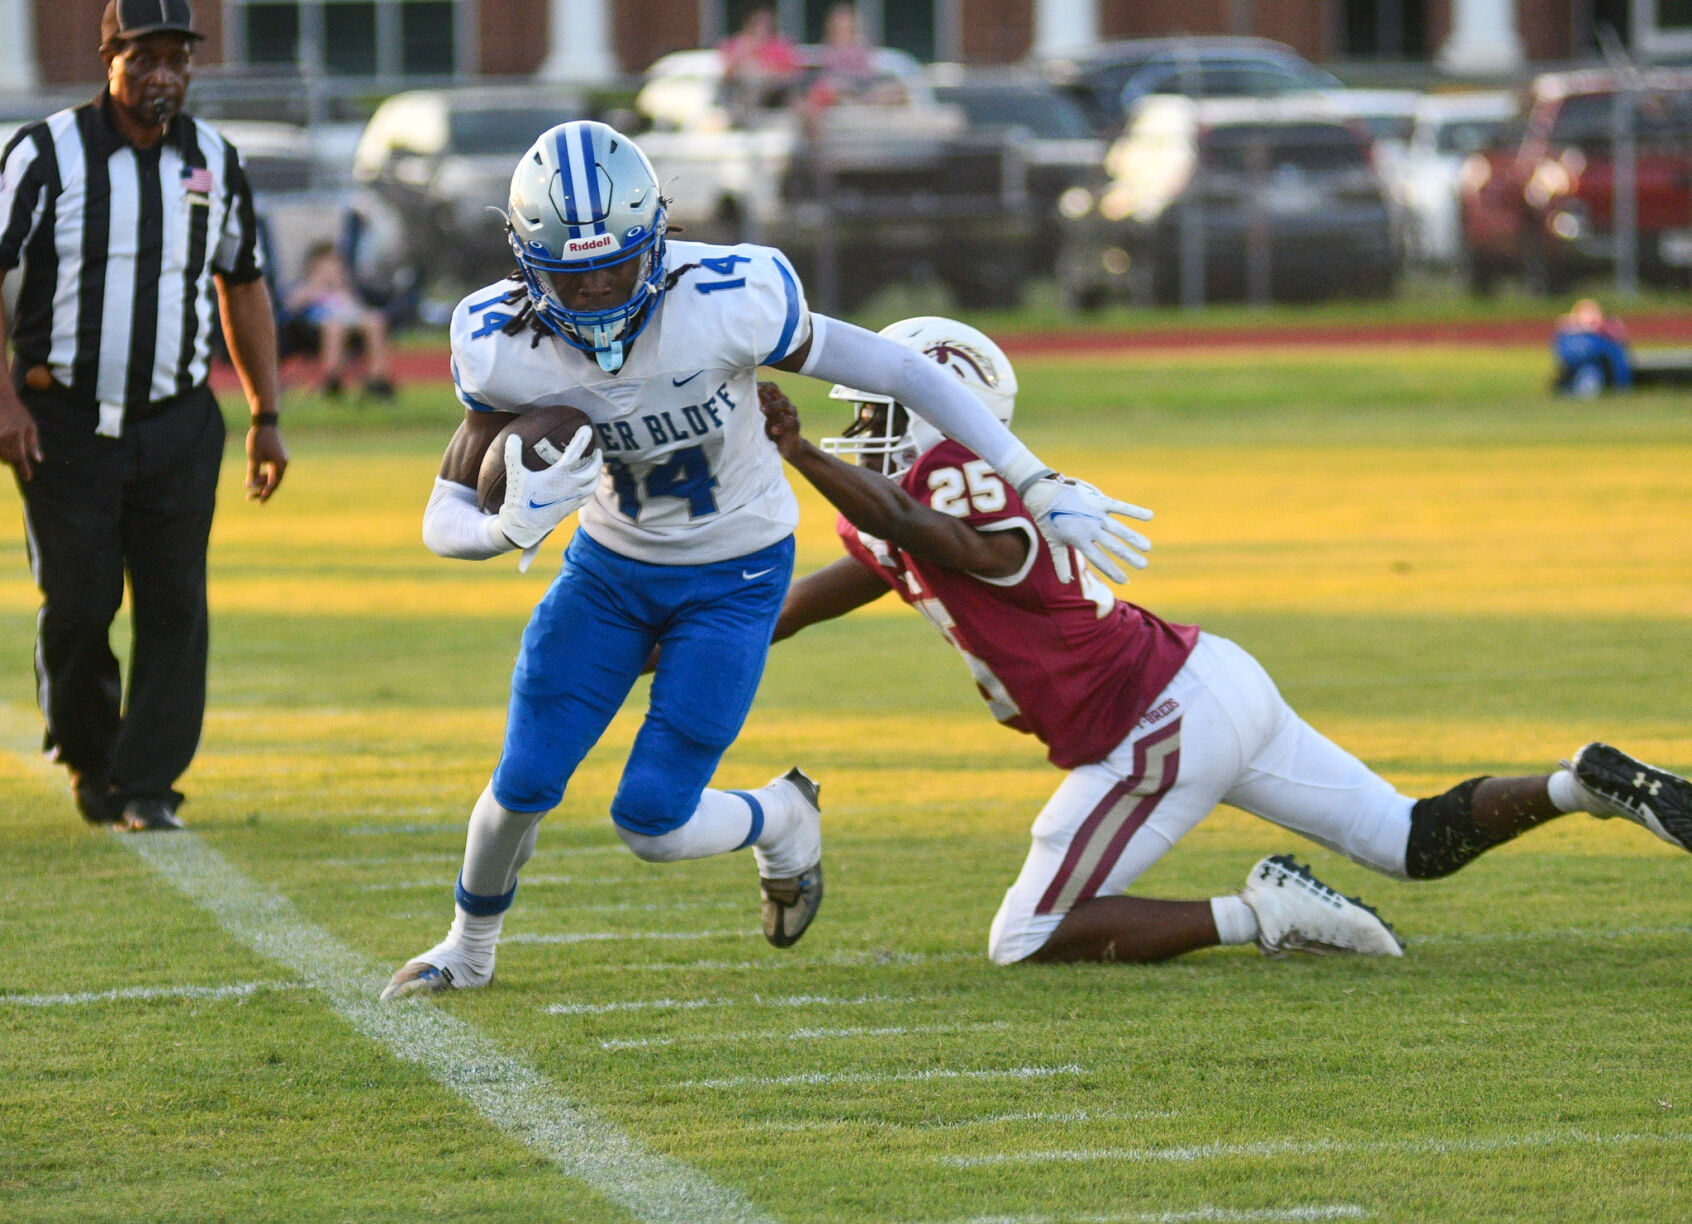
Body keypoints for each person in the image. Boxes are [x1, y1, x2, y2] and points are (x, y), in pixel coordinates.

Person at [378, 123, 1150, 999]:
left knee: (652, 823)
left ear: (656, 242)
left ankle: (781, 816)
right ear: (525, 260)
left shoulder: (726, 296)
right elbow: (444, 511)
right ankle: (466, 952)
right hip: (608, 570)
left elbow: (902, 370)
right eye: (570, 273)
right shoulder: (497, 338)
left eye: (615, 268)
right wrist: (502, 531)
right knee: (521, 782)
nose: (594, 292)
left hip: (734, 574)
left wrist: (1033, 477)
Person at [760, 316, 1692, 965]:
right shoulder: (899, 514)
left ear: (936, 408)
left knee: (1028, 937)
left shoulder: (964, 492)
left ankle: (1262, 914)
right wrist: (660, 644)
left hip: (1149, 724)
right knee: (1409, 842)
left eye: (877, 412)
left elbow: (937, 539)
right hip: (1205, 681)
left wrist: (804, 457)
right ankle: (1583, 784)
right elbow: (823, 590)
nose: (860, 428)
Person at [0, 0, 288, 833]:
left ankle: (150, 782)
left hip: (178, 420)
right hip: (63, 420)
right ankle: (92, 753)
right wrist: (5, 397)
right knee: (80, 603)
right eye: (144, 58)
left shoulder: (215, 160)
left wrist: (266, 412)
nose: (163, 75)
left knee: (174, 604)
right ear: (108, 56)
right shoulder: (45, 152)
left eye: (177, 59)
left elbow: (243, 282)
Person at [285, 241, 395, 400]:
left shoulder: (346, 289)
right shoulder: (306, 288)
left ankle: (378, 379)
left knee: (375, 320)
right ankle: (333, 378)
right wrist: (316, 289)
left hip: (351, 322)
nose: (331, 270)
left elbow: (357, 308)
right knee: (335, 326)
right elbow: (291, 306)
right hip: (316, 328)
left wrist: (342, 288)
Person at [719, 6, 803, 119]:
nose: (762, 28)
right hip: (742, 90)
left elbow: (793, 74)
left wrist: (769, 73)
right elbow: (726, 73)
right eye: (757, 23)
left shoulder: (780, 46)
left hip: (775, 93)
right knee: (749, 73)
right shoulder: (738, 44)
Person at [1552, 298, 1632, 397]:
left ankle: (1581, 386)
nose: (1591, 319)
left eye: (1593, 314)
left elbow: (1619, 360)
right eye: (1587, 314)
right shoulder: (1569, 336)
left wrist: (1622, 386)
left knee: (1591, 371)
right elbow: (1563, 354)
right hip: (1579, 369)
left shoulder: (1606, 337)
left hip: (1596, 370)